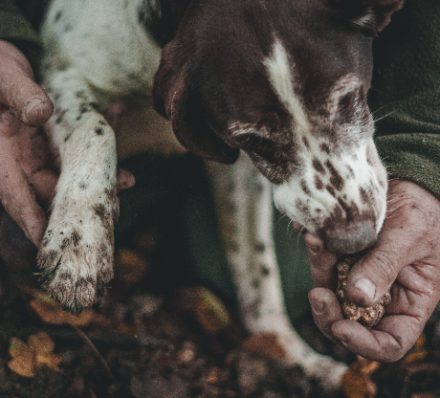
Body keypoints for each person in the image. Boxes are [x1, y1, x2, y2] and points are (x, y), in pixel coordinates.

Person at [0, 0, 439, 362]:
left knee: (305, 287)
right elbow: (67, 78)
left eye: (345, 105)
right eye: (261, 138)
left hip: (210, 117)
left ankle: (265, 323)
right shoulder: (112, 29)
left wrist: (423, 161)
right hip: (130, 104)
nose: (348, 209)